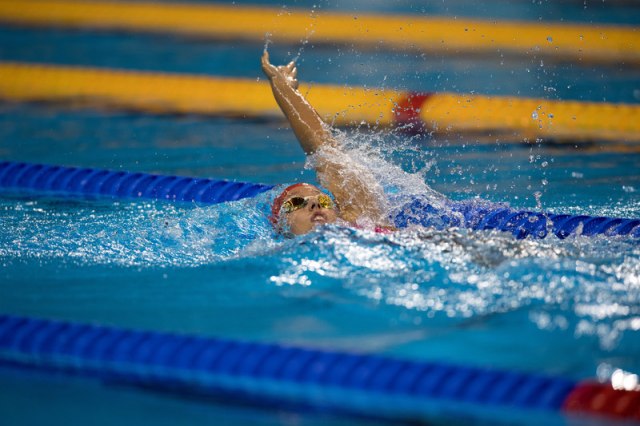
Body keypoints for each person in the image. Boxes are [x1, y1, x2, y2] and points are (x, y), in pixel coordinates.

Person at [261, 51, 393, 236]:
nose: (315, 203)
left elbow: (327, 154)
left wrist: (285, 89)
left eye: (324, 201)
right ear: (280, 226)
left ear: (338, 213)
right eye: (296, 203)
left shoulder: (364, 226)